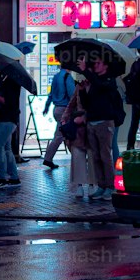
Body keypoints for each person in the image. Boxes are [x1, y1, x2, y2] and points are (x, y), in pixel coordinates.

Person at [80, 54, 121, 198]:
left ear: (105, 65)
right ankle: (101, 186)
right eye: (94, 64)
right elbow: (87, 104)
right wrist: (83, 91)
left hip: (105, 122)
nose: (95, 66)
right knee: (95, 156)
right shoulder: (94, 82)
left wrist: (87, 72)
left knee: (105, 155)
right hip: (92, 122)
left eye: (98, 63)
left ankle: (110, 186)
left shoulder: (110, 80)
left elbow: (101, 85)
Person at [62, 60, 94, 200]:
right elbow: (71, 103)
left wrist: (85, 118)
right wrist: (65, 117)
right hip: (79, 128)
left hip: (92, 126)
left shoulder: (97, 86)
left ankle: (94, 184)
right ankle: (80, 185)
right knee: (77, 155)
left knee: (93, 156)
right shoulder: (79, 86)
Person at [0, 67, 21, 188]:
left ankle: (2, 177)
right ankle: (14, 177)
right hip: (2, 118)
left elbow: (9, 101)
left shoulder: (12, 82)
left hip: (8, 119)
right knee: (7, 148)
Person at [41, 63, 77, 168]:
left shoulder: (56, 77)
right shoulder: (67, 77)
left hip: (56, 109)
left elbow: (51, 94)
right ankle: (48, 159)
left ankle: (49, 158)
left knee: (64, 134)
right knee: (62, 135)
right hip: (65, 110)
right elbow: (72, 95)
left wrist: (46, 107)